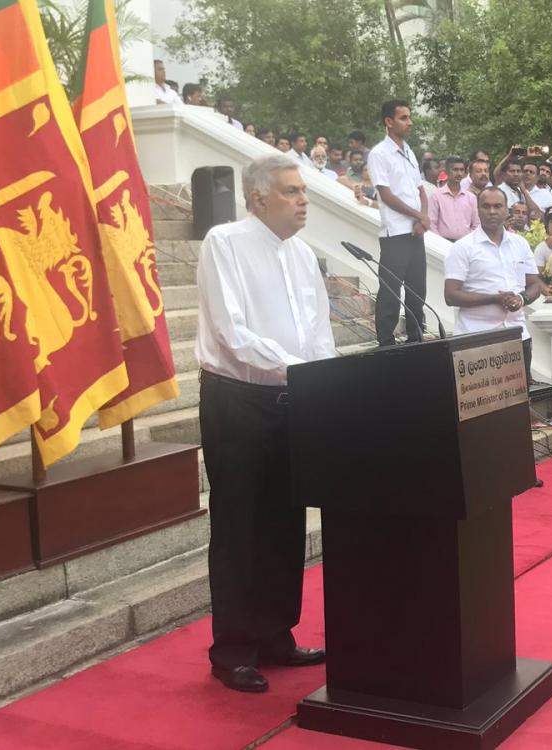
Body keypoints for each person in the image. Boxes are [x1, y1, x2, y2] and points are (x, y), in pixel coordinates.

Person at [196, 155, 334, 693]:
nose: (303, 201)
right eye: (291, 191)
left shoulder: (302, 255)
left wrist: (323, 381)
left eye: (304, 191)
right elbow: (231, 331)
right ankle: (233, 649)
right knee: (239, 526)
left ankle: (277, 634)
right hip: (238, 401)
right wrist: (303, 371)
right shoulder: (224, 243)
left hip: (293, 400)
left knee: (285, 521)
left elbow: (318, 329)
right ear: (257, 197)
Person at [444, 186, 542, 383]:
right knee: (481, 404)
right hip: (476, 339)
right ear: (478, 210)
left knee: (519, 401)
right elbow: (451, 295)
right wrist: (495, 299)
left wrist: (521, 299)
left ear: (507, 210)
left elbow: (535, 284)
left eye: (498, 206)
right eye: (486, 206)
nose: (492, 211)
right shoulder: (463, 247)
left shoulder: (519, 244)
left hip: (517, 336)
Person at [367, 99, 428, 347]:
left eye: (409, 117)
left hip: (416, 232)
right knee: (391, 292)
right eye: (403, 118)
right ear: (389, 121)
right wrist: (418, 215)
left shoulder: (409, 151)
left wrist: (423, 217)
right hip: (395, 234)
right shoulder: (379, 153)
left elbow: (421, 189)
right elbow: (386, 195)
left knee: (417, 291)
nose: (409, 122)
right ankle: (386, 342)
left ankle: (416, 337)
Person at [428, 156, 479, 241]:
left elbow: (476, 225)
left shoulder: (471, 198)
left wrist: (467, 242)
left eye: (462, 170)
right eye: (455, 170)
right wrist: (441, 242)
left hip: (466, 245)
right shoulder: (436, 196)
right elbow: (431, 224)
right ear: (447, 172)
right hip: (442, 243)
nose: (459, 173)